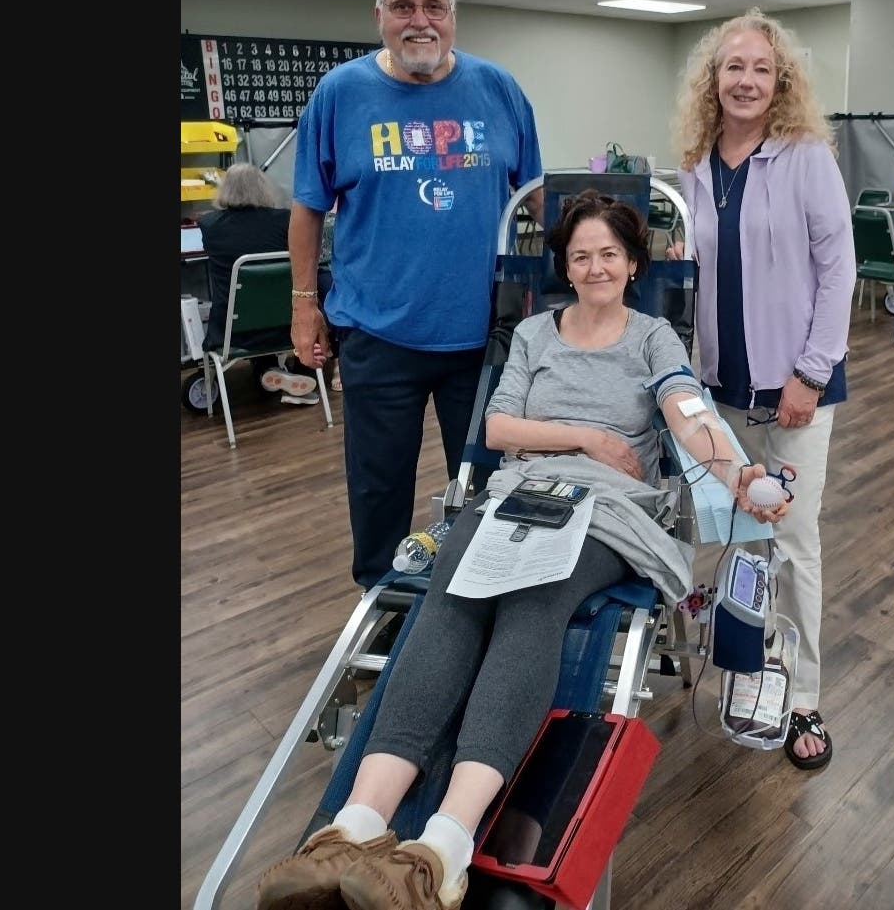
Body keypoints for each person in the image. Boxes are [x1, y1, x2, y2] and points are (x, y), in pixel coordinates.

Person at [257, 190, 786, 910]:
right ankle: (354, 828)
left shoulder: (653, 336)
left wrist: (744, 474)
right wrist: (589, 436)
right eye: (580, 256)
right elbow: (500, 428)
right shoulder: (536, 332)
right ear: (564, 266)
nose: (595, 267)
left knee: (534, 604)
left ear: (633, 263)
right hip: (516, 494)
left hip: (605, 509)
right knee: (450, 599)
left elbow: (688, 414)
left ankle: (441, 848)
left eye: (609, 254)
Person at [287, 0, 546, 589]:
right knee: (379, 491)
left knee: (489, 485)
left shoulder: (498, 89)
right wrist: (302, 302)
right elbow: (307, 210)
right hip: (378, 332)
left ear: (453, 16)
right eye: (404, 7)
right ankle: (380, 607)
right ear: (380, 15)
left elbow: (542, 200)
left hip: (485, 335)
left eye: (434, 6)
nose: (419, 21)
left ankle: (481, 602)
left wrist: (615, 249)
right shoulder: (342, 94)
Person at [666, 8, 856, 772]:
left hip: (797, 385)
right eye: (732, 67)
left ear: (780, 83)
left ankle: (803, 692)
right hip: (723, 385)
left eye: (761, 69)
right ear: (714, 80)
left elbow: (838, 268)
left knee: (794, 537)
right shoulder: (694, 163)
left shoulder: (805, 155)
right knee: (744, 533)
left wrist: (811, 372)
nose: (745, 80)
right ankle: (755, 668)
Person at [197, 162, 332, 405]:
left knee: (249, 305)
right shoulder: (284, 220)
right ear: (263, 188)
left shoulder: (210, 225)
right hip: (283, 329)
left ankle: (267, 373)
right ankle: (292, 374)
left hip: (232, 334)